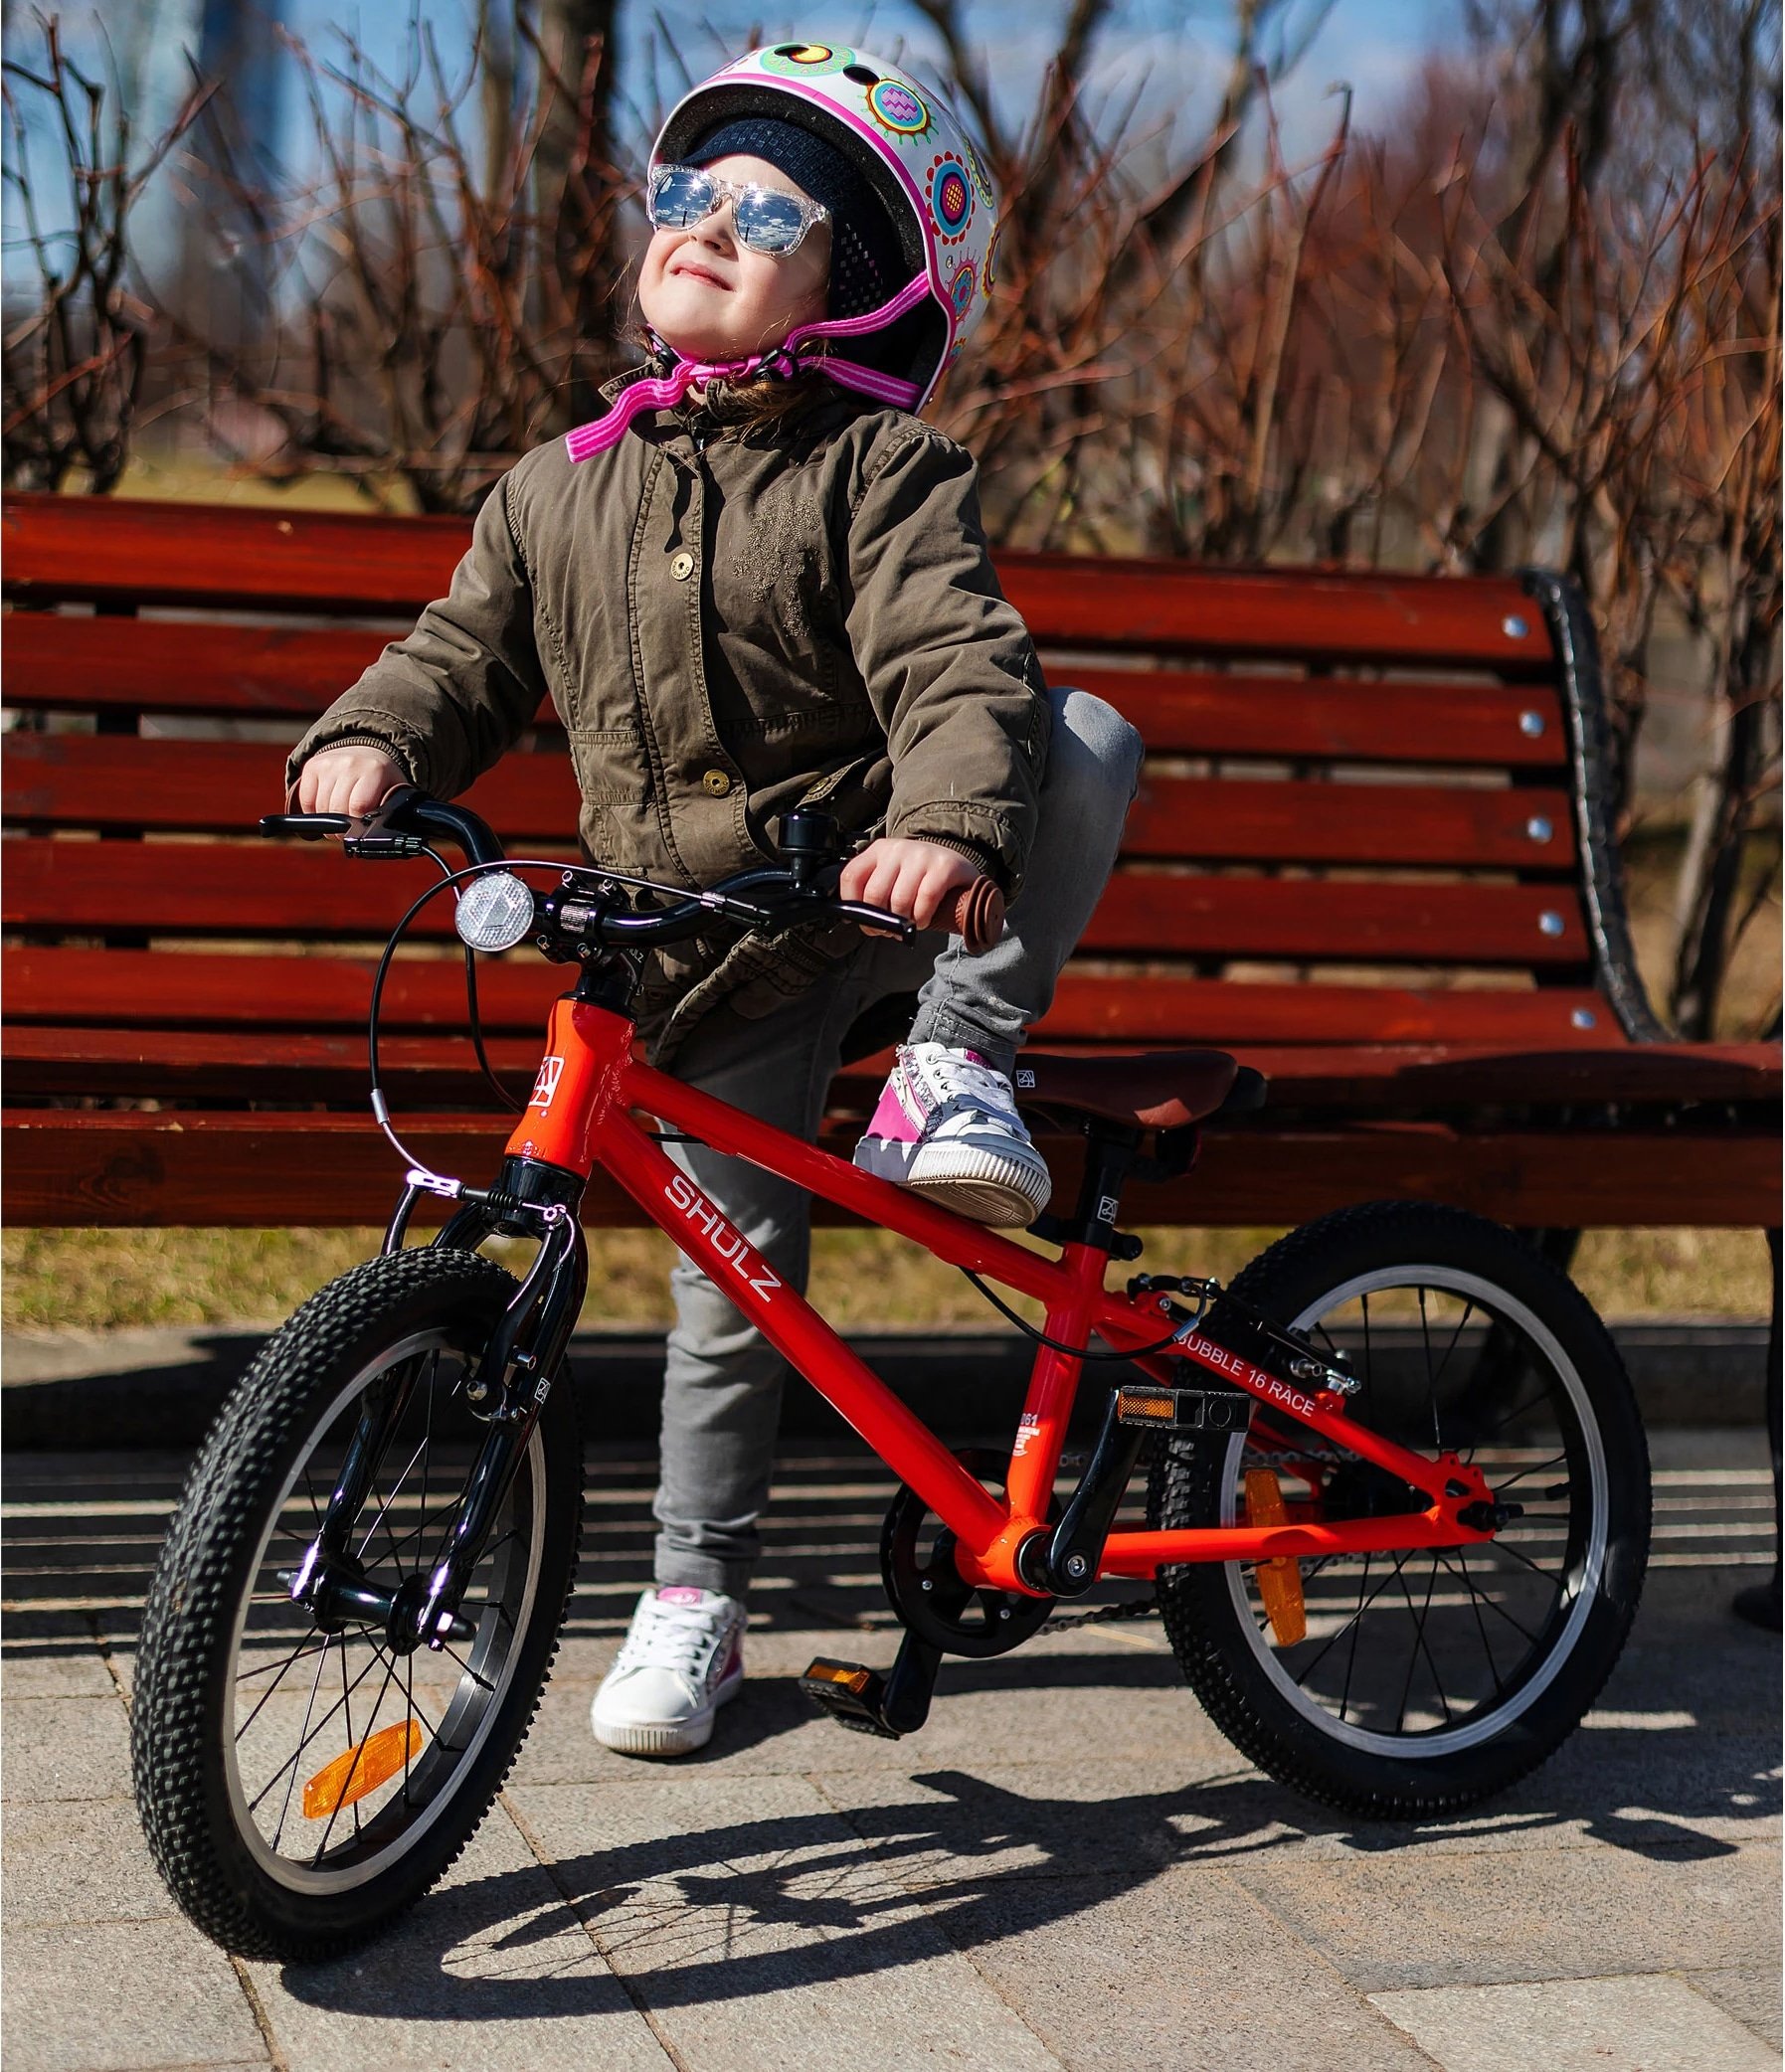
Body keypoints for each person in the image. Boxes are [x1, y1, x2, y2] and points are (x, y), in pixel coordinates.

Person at [286, 43, 1144, 1758]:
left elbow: (954, 663)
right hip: (687, 956)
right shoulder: (558, 486)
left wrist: (946, 832)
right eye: (687, 194)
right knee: (731, 1281)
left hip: (863, 904)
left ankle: (954, 1064)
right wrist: (374, 737)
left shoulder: (877, 472)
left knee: (1079, 736)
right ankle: (697, 1594)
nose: (705, 224)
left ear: (855, 289)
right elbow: (463, 654)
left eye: (767, 214)